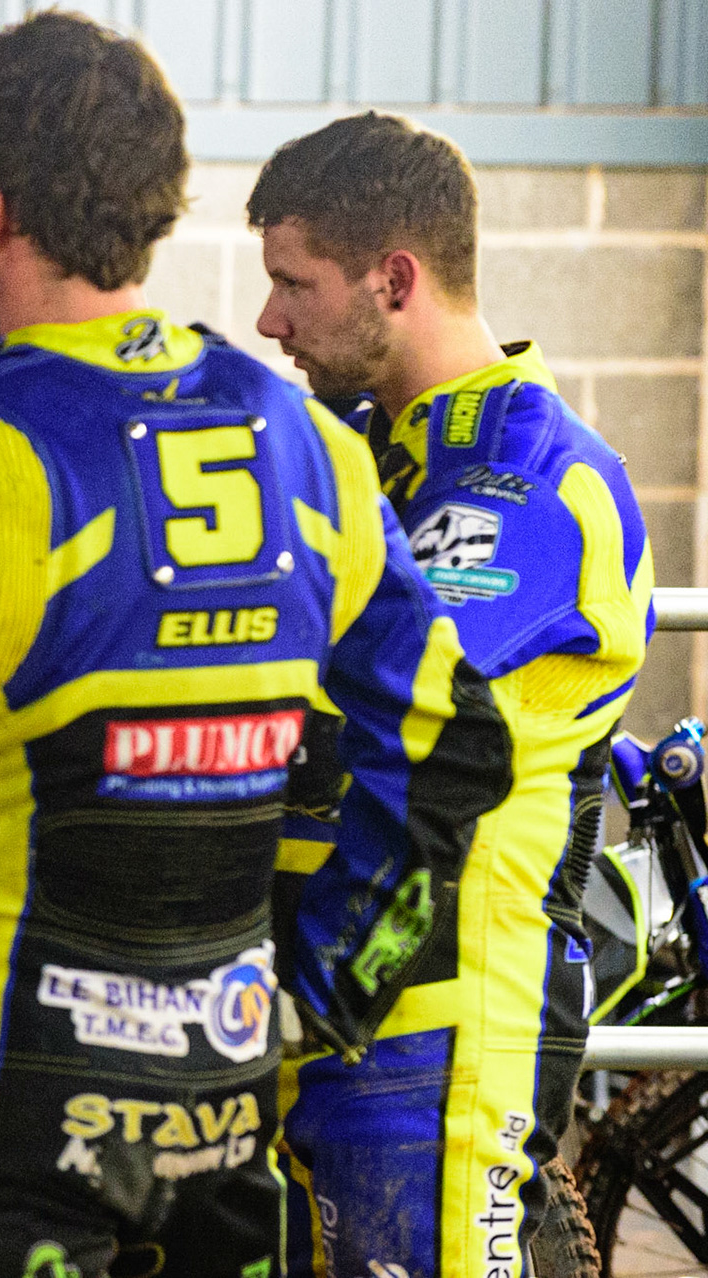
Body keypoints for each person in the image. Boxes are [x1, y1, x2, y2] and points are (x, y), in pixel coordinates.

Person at [0, 14, 515, 1277]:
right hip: (230, 1103)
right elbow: (457, 746)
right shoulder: (303, 438)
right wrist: (332, 996)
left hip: (6, 1106)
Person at [248, 111, 653, 1277]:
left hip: (437, 1045)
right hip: (308, 1019)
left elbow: (387, 700)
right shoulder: (364, 450)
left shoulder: (536, 476)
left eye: (293, 282)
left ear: (395, 278)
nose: (271, 319)